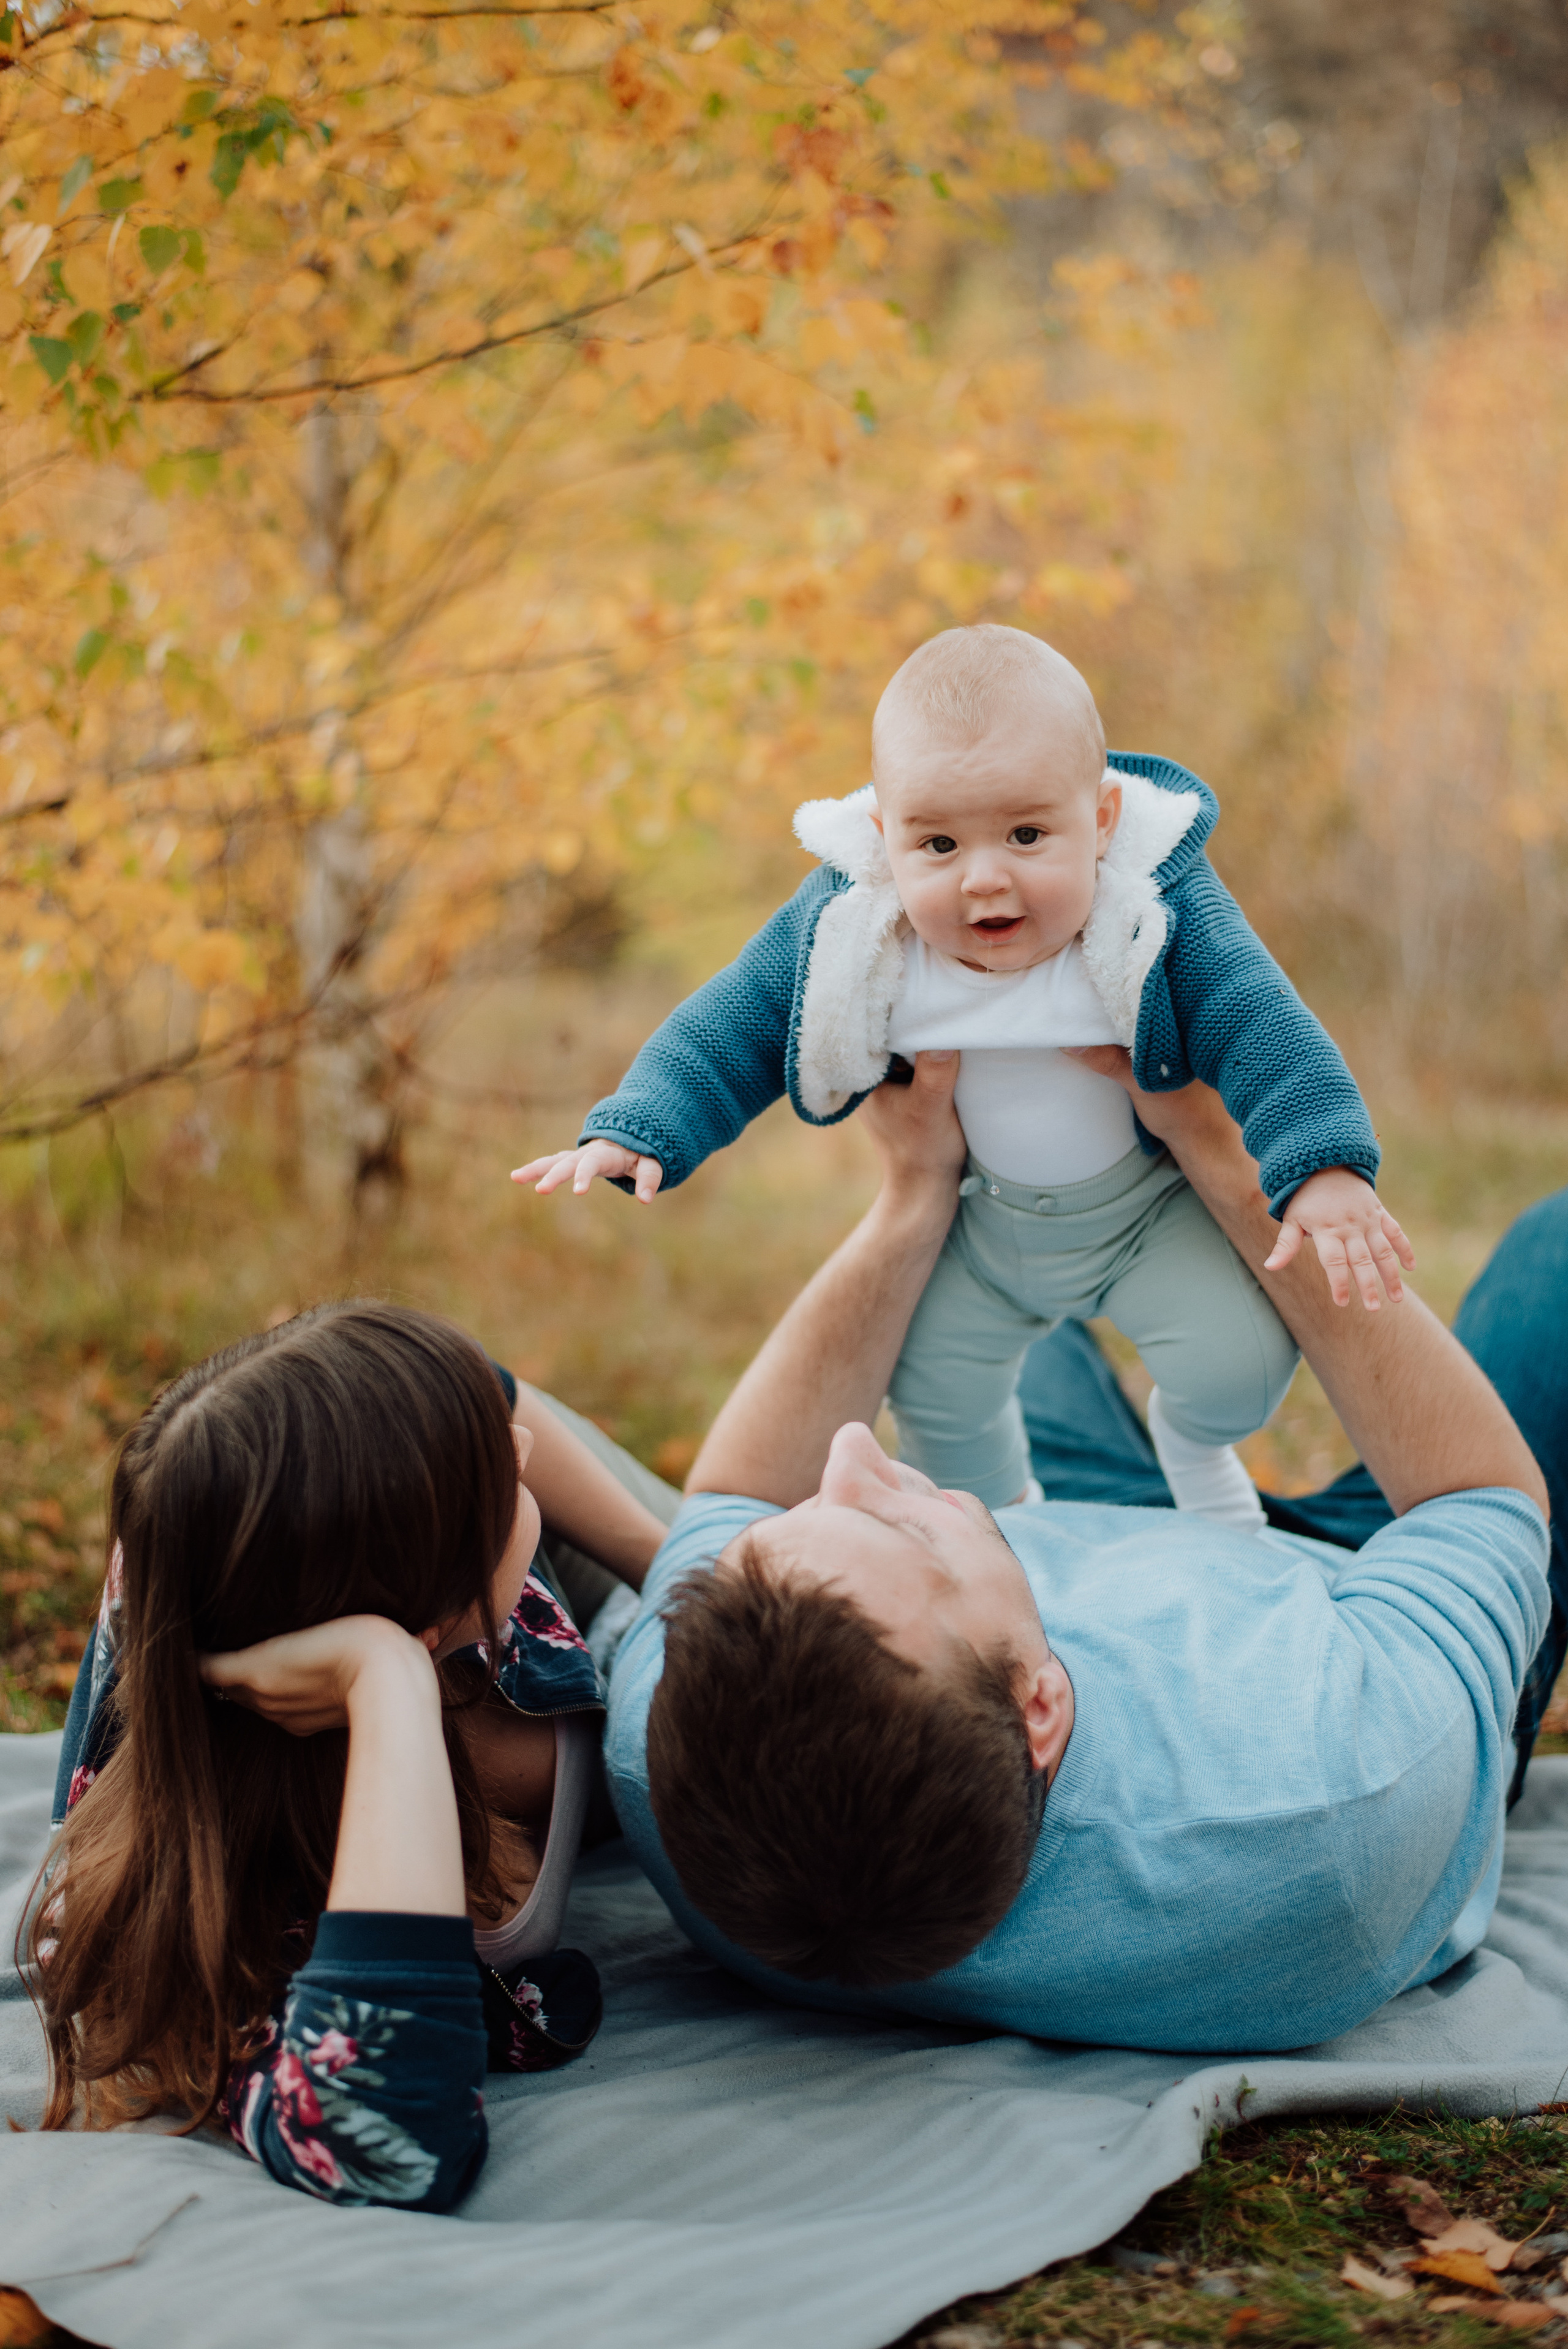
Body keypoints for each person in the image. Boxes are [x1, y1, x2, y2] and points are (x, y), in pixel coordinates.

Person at [603, 1050, 1558, 2054]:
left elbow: (730, 1493)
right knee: (1554, 1254)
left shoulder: (672, 1751)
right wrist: (1218, 1153)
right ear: (1042, 1706)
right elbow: (1484, 1500)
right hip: (1360, 1596)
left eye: (794, 1522)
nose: (852, 1446)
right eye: (897, 1524)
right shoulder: (1346, 1784)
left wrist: (913, 1192)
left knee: (997, 1246)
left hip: (1076, 1542)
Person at [516, 625, 1412, 1531]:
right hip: (979, 1225)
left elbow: (1266, 1028)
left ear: (1100, 820)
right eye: (938, 845)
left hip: (1144, 1213)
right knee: (939, 1404)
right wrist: (640, 1124)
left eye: (1027, 834)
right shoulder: (859, 928)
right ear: (883, 836)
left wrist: (1324, 1167)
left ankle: (1186, 1439)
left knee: (1241, 1366)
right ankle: (1009, 1528)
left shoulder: (1155, 911)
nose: (985, 880)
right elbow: (732, 1023)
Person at [31, 1303, 674, 2210]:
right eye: (492, 1477)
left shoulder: (188, 1547)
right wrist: (384, 1680)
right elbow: (392, 2140)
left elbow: (482, 1388)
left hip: (608, 1570)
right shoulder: (194, 1919)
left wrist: (680, 1567)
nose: (518, 1448)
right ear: (425, 1618)